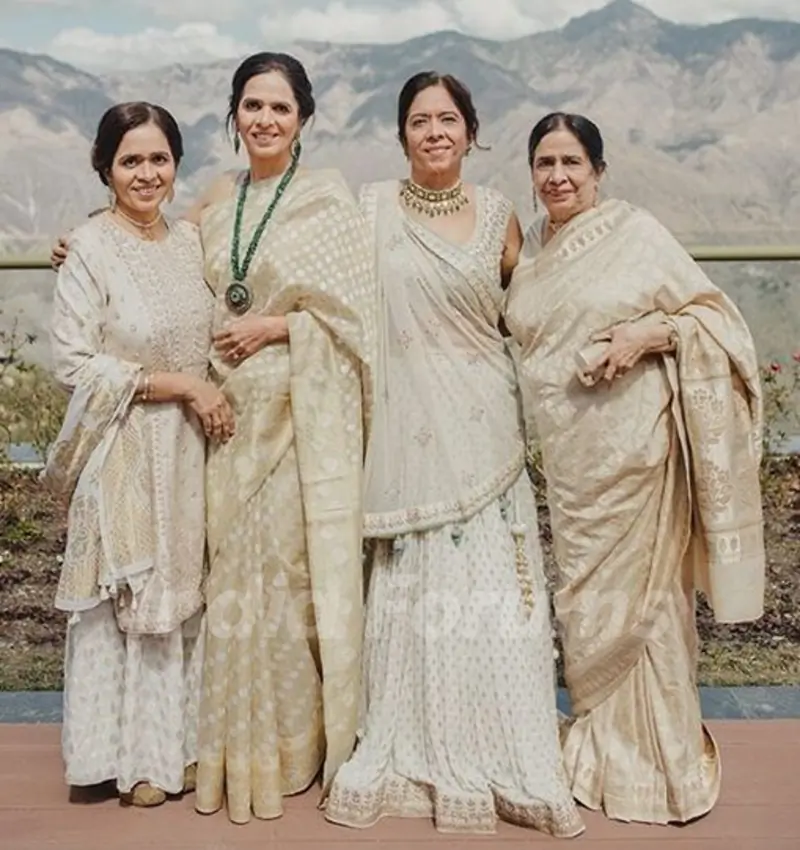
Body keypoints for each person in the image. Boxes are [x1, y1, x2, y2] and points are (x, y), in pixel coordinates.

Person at [323, 72, 584, 838]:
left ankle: (500, 740)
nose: (434, 132)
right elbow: (307, 273)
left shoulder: (501, 215)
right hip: (406, 438)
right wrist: (100, 232)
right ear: (401, 133)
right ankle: (412, 740)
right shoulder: (370, 209)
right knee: (415, 592)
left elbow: (543, 303)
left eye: (447, 119)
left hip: (486, 431)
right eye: (419, 120)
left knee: (495, 598)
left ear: (471, 132)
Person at [504, 112, 765, 824]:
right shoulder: (532, 250)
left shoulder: (636, 234)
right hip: (572, 466)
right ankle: (601, 745)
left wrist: (651, 332)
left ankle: (661, 764)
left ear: (598, 171)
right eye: (545, 163)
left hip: (638, 455)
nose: (558, 176)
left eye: (572, 163)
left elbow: (716, 320)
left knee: (649, 610)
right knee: (587, 610)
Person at [183, 53, 375, 825]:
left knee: (288, 579)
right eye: (252, 105)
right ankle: (236, 742)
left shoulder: (327, 199)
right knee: (230, 574)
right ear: (234, 113)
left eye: (280, 108)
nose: (265, 119)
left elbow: (357, 318)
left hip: (299, 422)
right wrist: (86, 237)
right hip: (223, 420)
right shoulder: (217, 199)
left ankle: (295, 748)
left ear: (304, 118)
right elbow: (152, 238)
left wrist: (280, 325)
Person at [43, 102, 234, 807]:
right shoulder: (91, 250)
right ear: (105, 168)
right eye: (130, 161)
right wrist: (180, 385)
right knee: (130, 594)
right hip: (124, 446)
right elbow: (72, 362)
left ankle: (176, 749)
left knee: (183, 596)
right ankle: (124, 759)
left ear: (177, 165)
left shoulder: (190, 244)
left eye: (159, 159)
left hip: (189, 452)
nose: (146, 174)